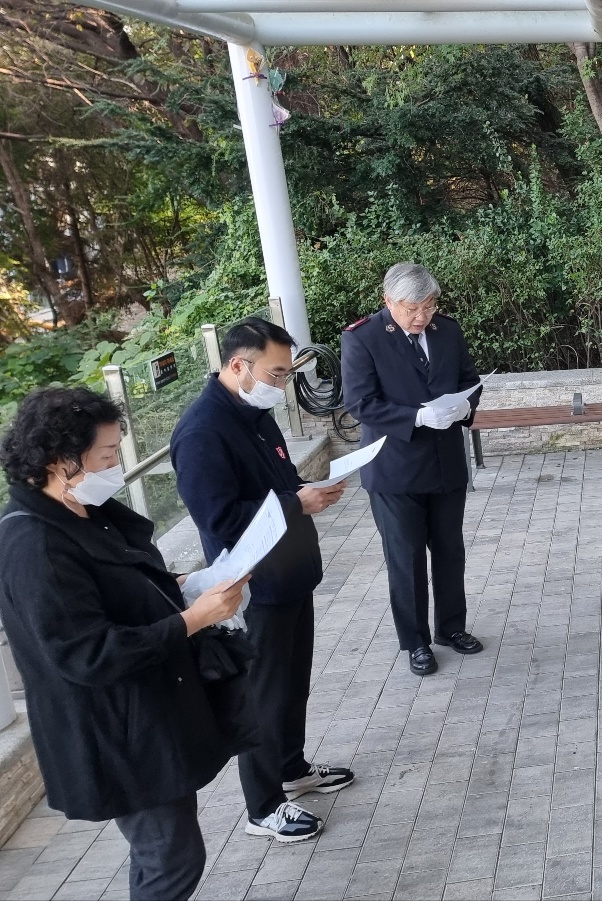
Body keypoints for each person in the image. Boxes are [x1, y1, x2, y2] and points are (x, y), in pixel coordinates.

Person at [0, 387, 249, 901]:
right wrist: (193, 620)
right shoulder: (34, 543)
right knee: (172, 858)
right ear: (61, 460)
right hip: (112, 731)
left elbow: (116, 585)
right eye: (108, 455)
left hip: (145, 713)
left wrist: (183, 586)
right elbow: (87, 653)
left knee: (162, 852)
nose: (117, 465)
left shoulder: (84, 509)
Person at [170, 318, 353, 843]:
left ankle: (292, 769)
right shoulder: (202, 432)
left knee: (293, 682)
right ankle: (264, 806)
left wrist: (308, 488)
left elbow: (279, 480)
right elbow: (220, 519)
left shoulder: (254, 413)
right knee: (262, 694)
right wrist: (297, 503)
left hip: (291, 572)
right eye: (276, 374)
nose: (282, 384)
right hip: (254, 587)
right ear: (238, 366)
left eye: (286, 373)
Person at [341, 262, 484, 676]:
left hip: (445, 464)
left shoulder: (447, 331)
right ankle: (416, 641)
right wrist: (417, 417)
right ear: (388, 301)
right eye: (412, 308)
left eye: (429, 306)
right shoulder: (363, 338)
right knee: (406, 560)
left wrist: (464, 407)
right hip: (394, 470)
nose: (422, 316)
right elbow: (361, 403)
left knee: (450, 552)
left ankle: (451, 628)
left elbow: (469, 380)